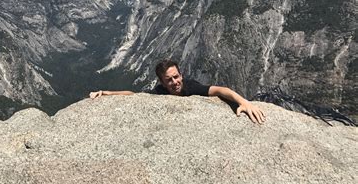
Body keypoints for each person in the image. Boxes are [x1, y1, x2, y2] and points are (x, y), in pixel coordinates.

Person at [90, 59, 266, 124]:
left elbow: (220, 90)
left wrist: (244, 102)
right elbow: (134, 95)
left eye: (176, 77)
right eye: (169, 80)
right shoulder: (159, 92)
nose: (175, 82)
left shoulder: (191, 87)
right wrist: (106, 93)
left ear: (181, 74)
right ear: (162, 82)